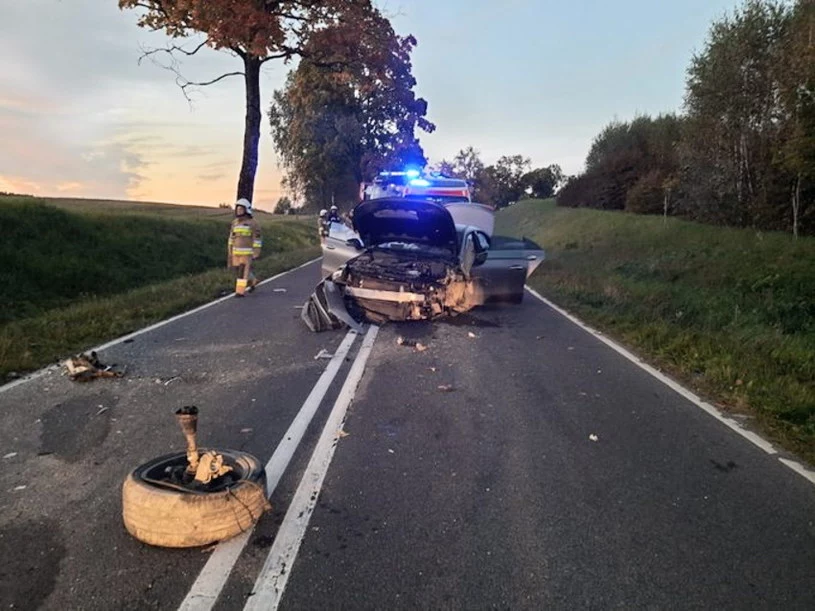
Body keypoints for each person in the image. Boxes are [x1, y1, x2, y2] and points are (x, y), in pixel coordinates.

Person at [227, 198, 262, 297]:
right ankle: (253, 280)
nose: (238, 211)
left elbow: (257, 239)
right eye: (237, 209)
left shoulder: (253, 223)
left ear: (246, 210)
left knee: (242, 271)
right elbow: (231, 237)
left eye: (241, 209)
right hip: (235, 252)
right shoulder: (234, 223)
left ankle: (240, 291)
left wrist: (256, 251)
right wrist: (229, 250)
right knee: (238, 270)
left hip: (247, 252)